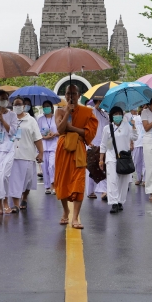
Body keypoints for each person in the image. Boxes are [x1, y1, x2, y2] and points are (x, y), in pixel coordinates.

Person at [54, 84, 98, 230]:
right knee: (63, 180)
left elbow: (88, 134)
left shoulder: (86, 112)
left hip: (78, 149)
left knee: (78, 182)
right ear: (65, 96)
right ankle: (66, 210)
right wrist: (68, 112)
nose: (70, 96)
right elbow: (60, 130)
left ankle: (75, 217)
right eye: (68, 94)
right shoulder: (59, 111)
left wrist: (71, 128)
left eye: (73, 93)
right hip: (63, 149)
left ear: (79, 95)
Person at [7, 97, 44, 213]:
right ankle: (16, 204)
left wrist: (41, 153)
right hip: (12, 154)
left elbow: (37, 138)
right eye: (15, 104)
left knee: (27, 180)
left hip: (27, 154)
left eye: (19, 104)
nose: (17, 107)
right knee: (14, 181)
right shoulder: (9, 119)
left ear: (23, 106)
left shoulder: (31, 120)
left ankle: (25, 197)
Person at [99, 106, 138, 213]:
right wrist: (101, 159)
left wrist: (134, 126)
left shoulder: (127, 126)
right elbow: (104, 145)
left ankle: (120, 201)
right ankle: (114, 203)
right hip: (111, 157)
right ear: (111, 116)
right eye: (115, 114)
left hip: (124, 157)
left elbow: (135, 138)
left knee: (124, 181)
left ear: (122, 115)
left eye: (119, 114)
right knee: (112, 180)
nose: (117, 116)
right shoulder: (107, 128)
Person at [86, 99, 108, 201]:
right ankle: (91, 191)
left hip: (103, 145)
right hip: (92, 143)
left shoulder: (105, 114)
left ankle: (104, 190)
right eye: (100, 101)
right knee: (92, 168)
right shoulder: (91, 111)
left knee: (102, 167)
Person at [38, 100, 58, 194]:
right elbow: (37, 134)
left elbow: (61, 130)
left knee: (52, 165)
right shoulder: (40, 119)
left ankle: (54, 185)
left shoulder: (56, 118)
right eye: (44, 106)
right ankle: (47, 186)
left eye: (48, 106)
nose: (46, 108)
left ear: (51, 107)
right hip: (44, 146)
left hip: (54, 145)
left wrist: (54, 134)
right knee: (44, 166)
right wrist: (45, 137)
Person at [127, 108, 145, 185]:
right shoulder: (135, 118)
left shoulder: (148, 119)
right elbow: (131, 129)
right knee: (137, 162)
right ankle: (138, 178)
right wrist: (131, 142)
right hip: (137, 142)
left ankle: (145, 179)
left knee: (145, 162)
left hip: (146, 142)